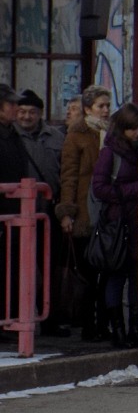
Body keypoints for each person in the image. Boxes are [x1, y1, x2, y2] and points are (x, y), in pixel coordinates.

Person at [55, 84, 112, 341]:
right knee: (88, 273)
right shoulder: (76, 135)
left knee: (107, 272)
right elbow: (68, 176)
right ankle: (89, 325)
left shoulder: (111, 133)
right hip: (85, 211)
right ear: (88, 109)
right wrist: (67, 212)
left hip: (107, 210)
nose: (106, 110)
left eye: (108, 105)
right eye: (101, 106)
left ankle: (105, 324)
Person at [91, 103, 138, 349]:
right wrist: (136, 189)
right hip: (118, 223)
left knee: (137, 277)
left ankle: (135, 330)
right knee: (116, 275)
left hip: (137, 222)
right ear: (122, 129)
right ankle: (118, 331)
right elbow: (99, 188)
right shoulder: (110, 153)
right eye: (133, 129)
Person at [15, 89, 70, 337]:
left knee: (50, 269)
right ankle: (18, 318)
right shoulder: (10, 137)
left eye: (31, 112)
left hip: (49, 214)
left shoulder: (56, 138)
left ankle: (50, 319)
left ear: (40, 114)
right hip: (18, 214)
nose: (26, 117)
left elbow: (65, 172)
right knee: (17, 268)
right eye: (22, 112)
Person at [0, 83, 31, 337]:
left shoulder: (12, 134)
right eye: (11, 104)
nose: (16, 108)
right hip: (4, 212)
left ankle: (8, 320)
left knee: (11, 269)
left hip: (15, 214)